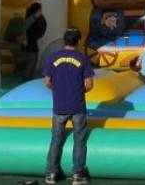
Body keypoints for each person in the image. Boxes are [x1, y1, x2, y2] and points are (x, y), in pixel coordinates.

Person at [43, 27, 94, 185]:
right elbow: (89, 84)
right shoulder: (82, 59)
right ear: (78, 41)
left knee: (56, 139)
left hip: (59, 105)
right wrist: (78, 90)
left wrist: (59, 90)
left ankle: (51, 172)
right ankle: (78, 174)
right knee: (80, 140)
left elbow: (47, 82)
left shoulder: (53, 58)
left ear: (64, 40)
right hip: (77, 105)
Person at [23, 2, 47, 81]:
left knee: (33, 60)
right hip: (30, 42)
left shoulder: (36, 19)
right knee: (32, 61)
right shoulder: (32, 19)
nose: (41, 11)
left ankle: (28, 77)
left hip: (32, 41)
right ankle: (27, 78)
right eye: (40, 10)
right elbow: (25, 28)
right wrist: (25, 39)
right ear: (37, 10)